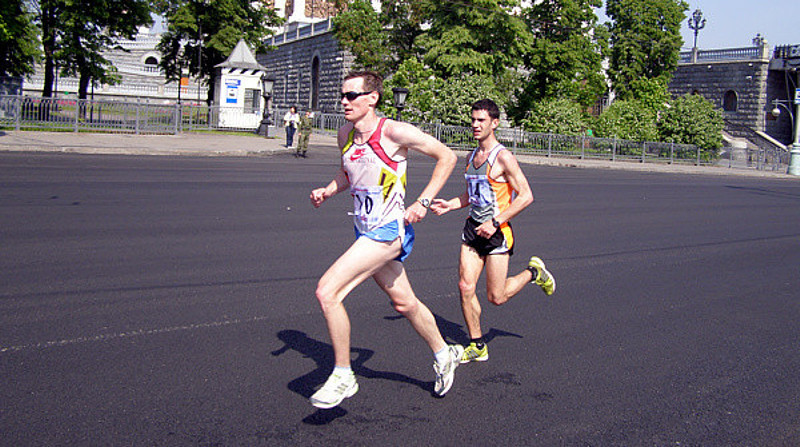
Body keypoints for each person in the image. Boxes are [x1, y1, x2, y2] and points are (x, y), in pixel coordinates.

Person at [308, 70, 463, 409]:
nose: (344, 101)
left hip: (388, 231)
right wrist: (328, 190)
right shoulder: (345, 134)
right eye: (342, 95)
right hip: (364, 229)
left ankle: (344, 374)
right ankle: (444, 352)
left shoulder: (394, 132)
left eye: (352, 96)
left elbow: (448, 157)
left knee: (327, 291)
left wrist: (422, 201)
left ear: (372, 98)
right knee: (404, 303)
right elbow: (346, 171)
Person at [430, 98, 555, 364]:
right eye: (473, 120)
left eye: (481, 121)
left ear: (494, 123)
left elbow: (526, 196)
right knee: (465, 286)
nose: (475, 125)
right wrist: (451, 204)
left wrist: (496, 222)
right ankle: (477, 345)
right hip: (473, 230)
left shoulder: (504, 158)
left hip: (498, 234)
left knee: (496, 297)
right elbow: (471, 195)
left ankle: (534, 272)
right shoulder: (471, 157)